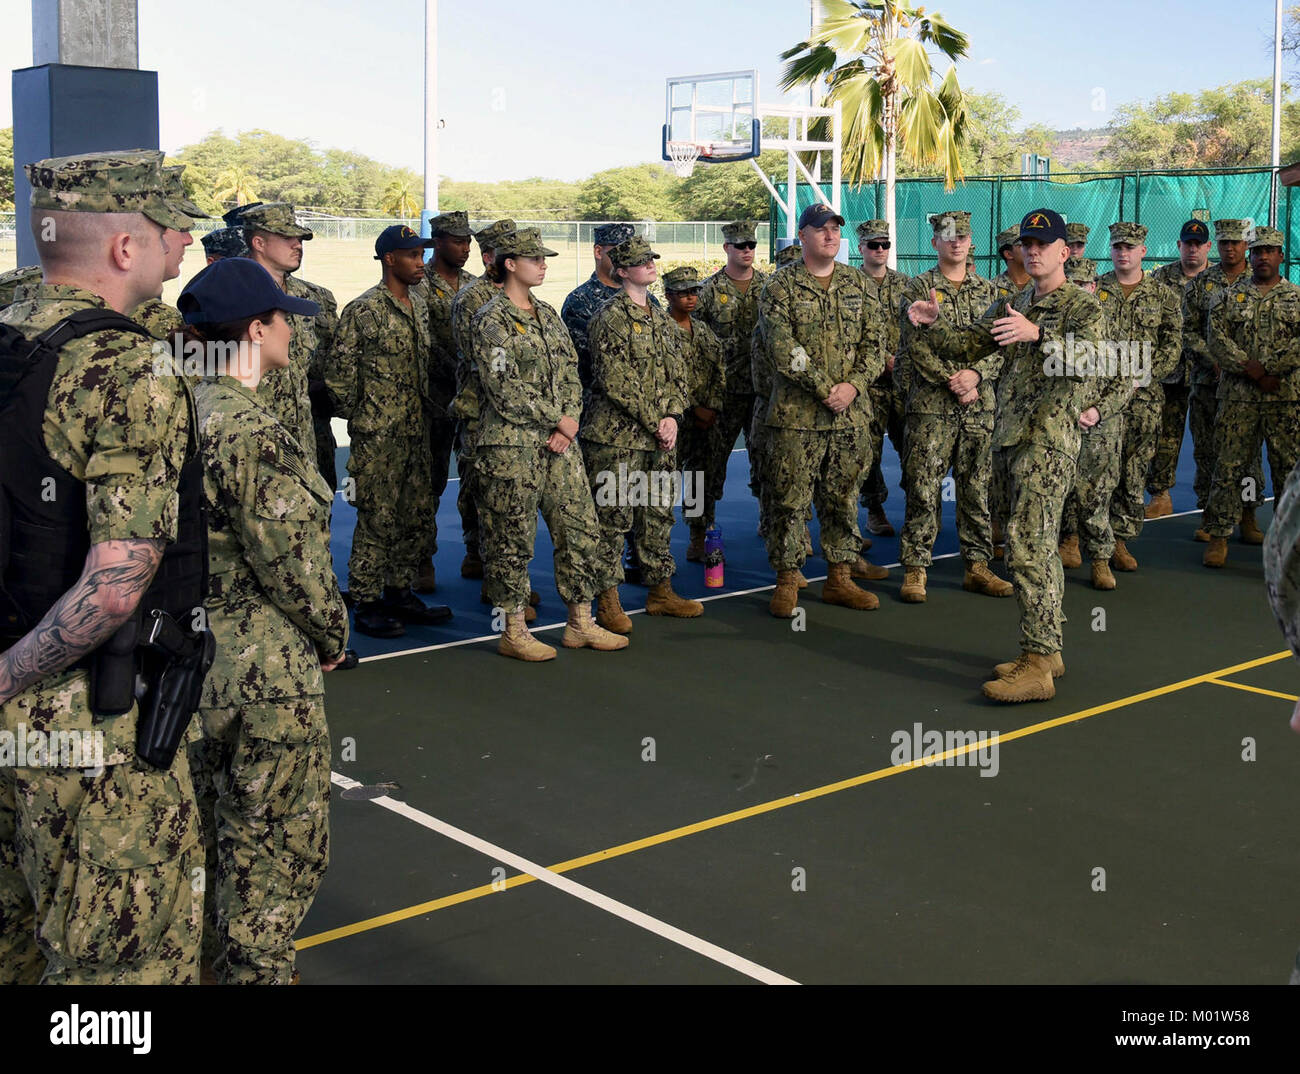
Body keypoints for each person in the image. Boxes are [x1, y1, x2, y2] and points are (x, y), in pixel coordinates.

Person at [0, 149, 204, 983]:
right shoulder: (125, 369)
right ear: (127, 248)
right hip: (76, 724)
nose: (185, 242)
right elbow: (114, 584)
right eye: (170, 227)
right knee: (124, 965)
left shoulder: (11, 327)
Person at [178, 257, 349, 985]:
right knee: (276, 853)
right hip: (260, 671)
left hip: (180, 663)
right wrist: (331, 636)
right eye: (282, 318)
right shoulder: (248, 426)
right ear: (255, 330)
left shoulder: (169, 405)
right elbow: (291, 562)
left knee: (207, 841)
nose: (290, 329)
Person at [907, 208, 1105, 703]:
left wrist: (1040, 336)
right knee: (1031, 542)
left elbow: (1094, 362)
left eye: (1043, 244)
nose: (1032, 251)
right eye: (1026, 244)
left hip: (1050, 440)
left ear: (1065, 251)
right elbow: (970, 342)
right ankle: (1048, 649)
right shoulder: (1014, 300)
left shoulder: (1081, 309)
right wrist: (932, 326)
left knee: (1027, 543)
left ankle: (1037, 663)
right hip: (1012, 438)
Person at [471, 228, 629, 659]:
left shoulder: (547, 315)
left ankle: (580, 621)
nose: (543, 265)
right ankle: (514, 629)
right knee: (511, 538)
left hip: (560, 444)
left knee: (580, 529)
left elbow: (572, 374)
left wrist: (569, 422)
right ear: (509, 264)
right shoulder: (491, 319)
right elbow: (503, 386)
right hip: (511, 446)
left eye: (544, 259)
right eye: (534, 259)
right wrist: (556, 419)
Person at [326, 225, 453, 637]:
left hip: (419, 431)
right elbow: (338, 380)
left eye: (422, 254)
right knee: (377, 519)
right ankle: (365, 599)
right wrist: (369, 417)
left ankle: (399, 590)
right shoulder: (363, 310)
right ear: (389, 259)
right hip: (379, 437)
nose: (421, 263)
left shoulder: (418, 302)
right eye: (413, 255)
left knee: (416, 517)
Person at [759, 204, 885, 618]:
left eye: (835, 229)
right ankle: (787, 578)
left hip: (851, 415)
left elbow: (875, 342)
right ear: (802, 235)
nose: (830, 236)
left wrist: (852, 387)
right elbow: (782, 348)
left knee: (843, 498)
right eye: (821, 229)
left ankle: (839, 577)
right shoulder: (780, 287)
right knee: (790, 500)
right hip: (797, 416)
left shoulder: (858, 283)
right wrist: (823, 388)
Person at [584, 237, 702, 628]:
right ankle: (607, 599)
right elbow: (614, 380)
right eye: (640, 261)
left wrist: (672, 416)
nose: (650, 265)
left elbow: (678, 372)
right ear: (621, 271)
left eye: (651, 259)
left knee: (657, 515)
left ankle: (660, 590)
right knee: (613, 519)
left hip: (659, 438)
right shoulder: (609, 317)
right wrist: (657, 420)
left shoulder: (659, 316)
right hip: (617, 439)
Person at [895, 211, 1012, 603]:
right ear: (935, 243)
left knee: (977, 487)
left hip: (979, 406)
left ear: (970, 241)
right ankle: (915, 568)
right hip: (931, 406)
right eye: (948, 236)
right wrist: (955, 380)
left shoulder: (991, 292)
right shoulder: (918, 287)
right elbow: (915, 347)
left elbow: (1001, 346)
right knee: (924, 486)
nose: (956, 242)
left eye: (963, 235)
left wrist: (976, 377)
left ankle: (977, 566)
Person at [1203, 226, 1300, 568]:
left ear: (1280, 256)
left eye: (1269, 251)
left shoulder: (1296, 297)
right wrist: (1251, 369)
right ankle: (1218, 536)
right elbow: (1217, 339)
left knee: (1288, 473)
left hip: (1283, 399)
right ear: (1251, 255)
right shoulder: (1228, 296)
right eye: (1257, 251)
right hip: (1237, 398)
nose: (1262, 257)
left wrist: (1270, 367)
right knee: (1228, 467)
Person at [1097, 223, 1182, 573]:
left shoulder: (1163, 295)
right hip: (1100, 399)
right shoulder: (1094, 290)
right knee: (1096, 469)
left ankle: (1120, 540)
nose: (1123, 253)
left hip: (1143, 399)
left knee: (1132, 471)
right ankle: (1075, 537)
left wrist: (1142, 376)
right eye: (1117, 247)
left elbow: (1173, 344)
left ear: (1143, 251)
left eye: (1130, 247)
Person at [240, 203, 339, 489]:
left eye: (300, 239)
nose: (298, 245)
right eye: (287, 238)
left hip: (306, 442)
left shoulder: (312, 298)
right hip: (253, 444)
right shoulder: (230, 296)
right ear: (259, 242)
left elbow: (328, 365)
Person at [1185, 218, 1265, 542]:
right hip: (1207, 383)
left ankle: (1247, 515)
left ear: (1246, 245)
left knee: (1246, 455)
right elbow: (1187, 331)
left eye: (1235, 242)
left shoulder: (1261, 281)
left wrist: (1243, 364)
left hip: (1247, 387)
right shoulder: (1202, 284)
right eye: (1223, 243)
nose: (1229, 248)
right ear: (1216, 245)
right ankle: (1210, 516)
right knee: (1207, 453)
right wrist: (1213, 359)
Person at [414, 210, 477, 593]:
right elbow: (423, 341)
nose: (465, 248)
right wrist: (457, 366)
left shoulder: (474, 286)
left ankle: (476, 551)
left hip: (470, 401)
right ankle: (422, 558)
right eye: (457, 241)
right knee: (431, 479)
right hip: (435, 399)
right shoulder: (418, 283)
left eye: (468, 241)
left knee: (476, 477)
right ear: (437, 241)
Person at [450, 217, 515, 580]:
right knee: (478, 489)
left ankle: (498, 572)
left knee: (505, 497)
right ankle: (480, 559)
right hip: (481, 412)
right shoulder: (472, 298)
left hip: (513, 416)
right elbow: (481, 363)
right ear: (490, 256)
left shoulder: (519, 293)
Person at [695, 222, 768, 548]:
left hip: (760, 393)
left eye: (751, 244)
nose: (747, 250)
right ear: (726, 248)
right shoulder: (707, 292)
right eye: (740, 245)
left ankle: (773, 521)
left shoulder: (769, 288)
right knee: (705, 467)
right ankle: (699, 531)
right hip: (720, 395)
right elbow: (694, 347)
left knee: (769, 461)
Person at [1146, 219, 1212, 517]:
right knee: (1165, 437)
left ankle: (1209, 502)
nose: (1193, 249)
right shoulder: (1161, 278)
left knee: (1208, 439)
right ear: (1179, 246)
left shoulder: (1219, 278)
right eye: (1188, 244)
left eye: (1199, 244)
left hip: (1209, 373)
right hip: (1170, 374)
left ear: (1208, 247)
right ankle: (1160, 495)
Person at [663, 266, 724, 566]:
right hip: (671, 423)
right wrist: (691, 408)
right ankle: (653, 549)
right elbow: (660, 379)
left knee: (700, 481)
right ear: (668, 295)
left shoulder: (702, 331)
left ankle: (698, 538)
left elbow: (718, 372)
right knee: (663, 484)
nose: (691, 297)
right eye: (684, 292)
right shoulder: (658, 330)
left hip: (702, 423)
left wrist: (710, 407)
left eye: (694, 291)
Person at [856, 219, 909, 540]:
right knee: (868, 453)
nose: (879, 250)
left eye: (884, 245)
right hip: (867, 386)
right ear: (861, 247)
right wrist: (879, 361)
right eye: (873, 245)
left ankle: (918, 509)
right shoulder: (850, 284)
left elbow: (917, 331)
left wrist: (898, 361)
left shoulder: (905, 284)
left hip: (902, 384)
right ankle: (874, 510)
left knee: (912, 448)